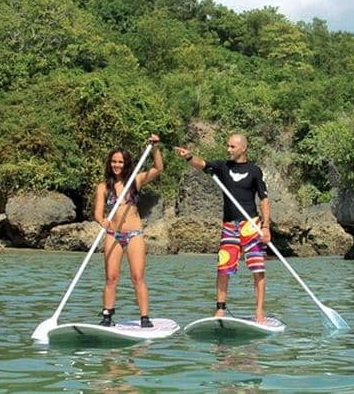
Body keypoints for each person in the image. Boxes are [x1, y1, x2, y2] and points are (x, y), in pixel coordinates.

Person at [174, 134, 272, 323]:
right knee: (223, 268)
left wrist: (266, 226)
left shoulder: (254, 171)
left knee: (258, 269)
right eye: (227, 146)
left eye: (232, 147)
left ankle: (259, 311)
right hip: (229, 225)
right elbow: (201, 164)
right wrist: (188, 156)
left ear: (243, 148)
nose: (228, 149)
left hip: (251, 225)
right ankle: (220, 309)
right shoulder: (222, 167)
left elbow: (264, 199)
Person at [94, 135, 163, 328]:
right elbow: (98, 214)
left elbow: (158, 168)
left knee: (138, 277)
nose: (117, 165)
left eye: (120, 162)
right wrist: (103, 221)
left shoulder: (135, 181)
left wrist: (155, 148)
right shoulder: (103, 187)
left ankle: (144, 317)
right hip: (112, 235)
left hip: (134, 235)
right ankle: (107, 316)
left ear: (126, 164)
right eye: (114, 162)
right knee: (111, 277)